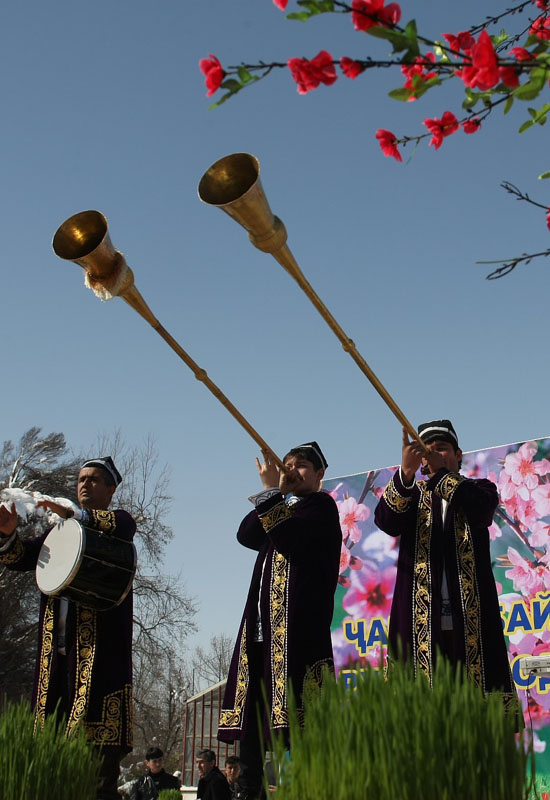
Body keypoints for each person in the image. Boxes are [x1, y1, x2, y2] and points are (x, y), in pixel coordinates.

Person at [0, 456, 136, 800]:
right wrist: (7, 534)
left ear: (111, 489)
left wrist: (75, 515)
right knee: (52, 757)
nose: (84, 485)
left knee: (98, 772)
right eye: (80, 480)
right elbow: (22, 558)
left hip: (100, 665)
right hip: (55, 663)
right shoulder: (59, 531)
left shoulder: (117, 523)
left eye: (93, 479)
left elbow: (123, 525)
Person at [218, 442, 342, 799]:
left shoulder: (321, 507)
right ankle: (248, 790)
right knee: (254, 727)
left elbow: (292, 541)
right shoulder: (280, 509)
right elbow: (246, 535)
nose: (291, 470)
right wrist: (274, 494)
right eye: (287, 465)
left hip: (298, 637)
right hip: (261, 634)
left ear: (319, 475)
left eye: (301, 466)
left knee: (303, 726)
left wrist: (274, 493)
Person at [374, 421, 518, 707]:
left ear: (459, 454)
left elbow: (480, 510)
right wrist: (405, 472)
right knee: (423, 714)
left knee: (476, 709)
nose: (434, 456)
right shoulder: (411, 496)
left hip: (470, 619)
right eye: (427, 452)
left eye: (441, 449)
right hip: (420, 622)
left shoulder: (479, 489)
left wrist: (441, 472)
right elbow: (386, 521)